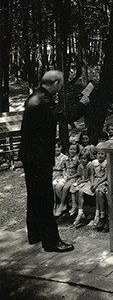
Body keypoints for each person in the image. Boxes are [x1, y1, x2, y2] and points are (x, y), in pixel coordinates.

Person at [18, 70, 90, 253]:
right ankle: (51, 242)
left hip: (29, 155)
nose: (62, 87)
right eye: (62, 84)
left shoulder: (34, 97)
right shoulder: (45, 101)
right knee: (44, 196)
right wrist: (83, 102)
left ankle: (34, 233)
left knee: (34, 195)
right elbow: (67, 116)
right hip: (39, 157)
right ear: (56, 83)